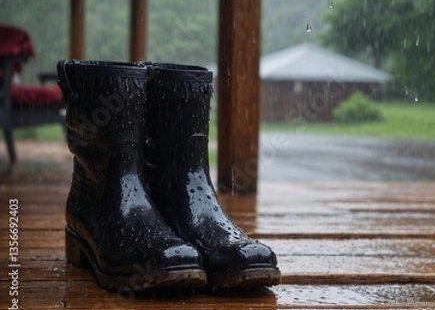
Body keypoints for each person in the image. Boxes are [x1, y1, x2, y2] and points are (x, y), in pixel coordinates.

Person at [57, 60, 280, 292]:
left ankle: (165, 210)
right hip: (100, 202)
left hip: (155, 207)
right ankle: (91, 209)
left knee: (182, 90)